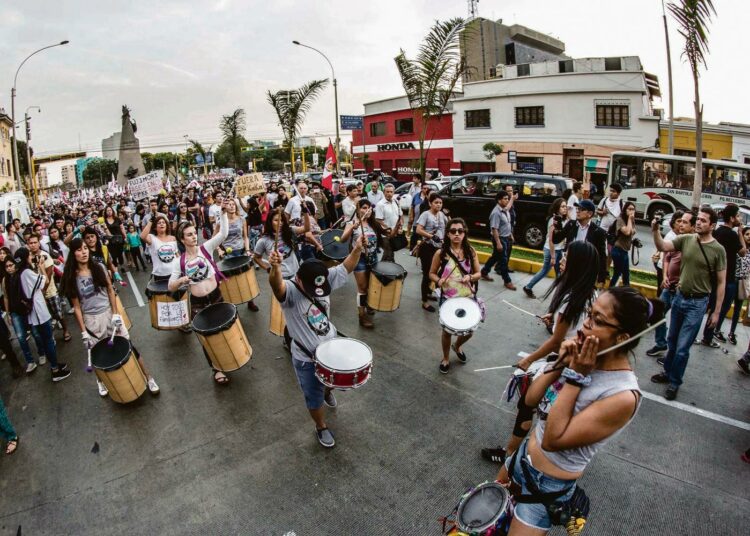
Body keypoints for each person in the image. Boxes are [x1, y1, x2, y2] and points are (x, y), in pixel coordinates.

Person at [497, 287, 664, 535]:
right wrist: (560, 365)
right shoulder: (581, 358)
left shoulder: (622, 395)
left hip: (546, 487)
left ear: (622, 337)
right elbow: (531, 401)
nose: (585, 325)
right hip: (519, 462)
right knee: (484, 524)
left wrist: (575, 378)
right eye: (589, 314)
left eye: (598, 321)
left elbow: (553, 440)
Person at [482, 241, 600, 464]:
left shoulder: (570, 300)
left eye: (567, 257)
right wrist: (555, 320)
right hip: (575, 364)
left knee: (528, 403)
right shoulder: (590, 294)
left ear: (577, 264)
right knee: (533, 406)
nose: (562, 260)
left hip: (564, 364)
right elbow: (571, 329)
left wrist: (529, 359)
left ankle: (511, 455)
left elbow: (557, 342)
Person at [267, 233, 366, 448]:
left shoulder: (322, 276)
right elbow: (277, 286)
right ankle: (321, 426)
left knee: (330, 382)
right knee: (313, 397)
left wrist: (357, 248)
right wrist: (275, 268)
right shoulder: (291, 290)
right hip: (306, 357)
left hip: (330, 349)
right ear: (299, 280)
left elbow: (345, 268)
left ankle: (328, 390)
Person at [62, 238, 160, 397]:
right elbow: (77, 306)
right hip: (91, 320)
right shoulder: (71, 277)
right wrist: (83, 332)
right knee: (97, 354)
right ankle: (100, 382)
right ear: (73, 254)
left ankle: (148, 377)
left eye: (85, 248)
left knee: (129, 346)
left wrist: (115, 313)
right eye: (79, 250)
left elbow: (109, 290)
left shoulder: (99, 267)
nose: (84, 252)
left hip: (109, 313)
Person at [650, 206, 726, 400]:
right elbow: (663, 248)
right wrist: (655, 230)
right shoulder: (686, 239)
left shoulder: (718, 250)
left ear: (713, 225)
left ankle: (675, 382)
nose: (698, 222)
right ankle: (667, 373)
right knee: (672, 341)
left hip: (697, 303)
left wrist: (716, 312)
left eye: (703, 220)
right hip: (679, 297)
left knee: (683, 348)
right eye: (698, 219)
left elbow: (721, 282)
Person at [169, 200, 233, 384]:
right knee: (207, 336)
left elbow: (224, 233)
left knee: (225, 328)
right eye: (189, 235)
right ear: (182, 239)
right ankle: (216, 369)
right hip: (197, 303)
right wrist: (181, 280)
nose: (193, 237)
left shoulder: (206, 248)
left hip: (216, 295)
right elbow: (170, 286)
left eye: (193, 233)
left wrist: (223, 214)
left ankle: (229, 357)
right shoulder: (178, 262)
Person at [8, 247, 71, 382]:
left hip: (34, 313)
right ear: (26, 258)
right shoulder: (26, 273)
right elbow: (45, 282)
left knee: (47, 339)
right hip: (39, 312)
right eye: (29, 255)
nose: (31, 256)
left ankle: (55, 365)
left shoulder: (19, 273)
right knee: (48, 340)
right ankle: (55, 370)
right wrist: (42, 267)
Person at [429, 218, 482, 373]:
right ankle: (445, 358)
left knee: (469, 331)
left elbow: (479, 273)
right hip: (448, 298)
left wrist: (470, 277)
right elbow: (431, 273)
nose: (457, 234)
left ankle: (457, 346)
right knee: (447, 331)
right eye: (453, 231)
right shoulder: (441, 253)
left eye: (460, 231)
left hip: (467, 297)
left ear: (465, 233)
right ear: (448, 234)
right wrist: (439, 280)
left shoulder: (470, 251)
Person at [646, 211, 694, 357]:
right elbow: (666, 256)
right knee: (657, 313)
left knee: (676, 326)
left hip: (682, 291)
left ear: (693, 226)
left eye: (685, 222)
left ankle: (671, 358)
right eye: (680, 221)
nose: (680, 224)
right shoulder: (676, 239)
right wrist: (665, 276)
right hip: (669, 287)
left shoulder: (693, 243)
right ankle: (661, 344)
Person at [703, 204, 747, 345]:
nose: (740, 218)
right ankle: (708, 337)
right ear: (732, 217)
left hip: (714, 275)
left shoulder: (717, 232)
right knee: (720, 309)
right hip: (727, 278)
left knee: (712, 306)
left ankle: (707, 335)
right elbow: (743, 252)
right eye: (738, 215)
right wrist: (740, 232)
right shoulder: (732, 234)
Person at [340, 199, 385, 328]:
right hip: (359, 259)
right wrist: (352, 229)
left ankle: (369, 304)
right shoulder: (352, 223)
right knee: (362, 288)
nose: (367, 210)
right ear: (358, 210)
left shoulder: (374, 224)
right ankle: (362, 316)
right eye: (364, 208)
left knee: (372, 285)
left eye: (369, 208)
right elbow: (343, 240)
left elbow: (385, 237)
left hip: (373, 258)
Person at [27, 233, 72, 343]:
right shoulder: (27, 258)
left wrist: (42, 292)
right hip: (36, 294)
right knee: (46, 317)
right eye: (30, 243)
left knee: (58, 313)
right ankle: (50, 336)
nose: (33, 245)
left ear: (39, 243)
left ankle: (66, 330)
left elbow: (48, 276)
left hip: (49, 291)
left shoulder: (45, 256)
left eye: (35, 242)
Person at [523, 199, 567, 298]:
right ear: (557, 208)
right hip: (551, 250)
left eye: (566, 206)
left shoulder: (562, 219)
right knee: (545, 271)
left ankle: (560, 292)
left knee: (559, 273)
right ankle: (528, 287)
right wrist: (552, 257)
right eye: (563, 206)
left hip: (559, 250)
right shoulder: (553, 220)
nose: (565, 208)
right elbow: (551, 240)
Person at [221, 198, 259, 312]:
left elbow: (245, 237)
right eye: (229, 204)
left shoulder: (242, 219)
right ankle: (233, 306)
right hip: (228, 255)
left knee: (246, 278)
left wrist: (247, 250)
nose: (232, 206)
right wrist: (219, 250)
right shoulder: (221, 222)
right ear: (225, 207)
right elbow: (214, 239)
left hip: (242, 252)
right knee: (231, 282)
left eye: (234, 204)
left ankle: (250, 301)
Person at [561, 199, 608, 285]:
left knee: (580, 295)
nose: (577, 211)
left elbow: (602, 255)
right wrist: (557, 227)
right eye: (577, 209)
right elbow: (556, 239)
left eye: (581, 209)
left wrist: (601, 277)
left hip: (586, 270)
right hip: (569, 266)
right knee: (562, 293)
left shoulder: (598, 232)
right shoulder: (571, 224)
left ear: (589, 214)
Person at [415, 193, 449, 312]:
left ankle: (430, 289)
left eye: (440, 203)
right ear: (430, 203)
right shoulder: (426, 214)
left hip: (440, 248)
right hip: (427, 247)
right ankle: (424, 301)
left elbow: (448, 226)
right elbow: (418, 229)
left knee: (445, 267)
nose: (438, 205)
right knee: (427, 273)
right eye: (436, 202)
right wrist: (431, 236)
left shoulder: (442, 215)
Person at [480, 191, 516, 290]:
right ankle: (507, 281)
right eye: (505, 199)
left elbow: (507, 224)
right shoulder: (496, 213)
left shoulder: (505, 209)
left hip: (506, 237)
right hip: (499, 239)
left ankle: (484, 272)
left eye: (507, 198)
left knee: (495, 257)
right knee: (503, 261)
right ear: (499, 200)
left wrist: (510, 235)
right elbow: (494, 229)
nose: (507, 200)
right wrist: (498, 243)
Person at [141, 214, 179, 283]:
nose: (162, 224)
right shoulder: (152, 238)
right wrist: (151, 221)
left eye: (163, 222)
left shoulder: (173, 238)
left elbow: (176, 255)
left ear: (167, 225)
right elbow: (143, 236)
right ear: (155, 227)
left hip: (174, 273)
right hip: (160, 275)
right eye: (159, 223)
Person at [596, 184, 623, 279]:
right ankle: (599, 270)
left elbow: (623, 217)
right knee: (601, 251)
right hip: (602, 230)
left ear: (618, 193)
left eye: (613, 191)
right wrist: (602, 212)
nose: (611, 193)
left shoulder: (621, 203)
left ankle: (606, 270)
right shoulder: (604, 200)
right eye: (610, 190)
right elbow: (597, 211)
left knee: (610, 252)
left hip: (613, 233)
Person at [609, 201, 637, 287]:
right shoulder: (620, 220)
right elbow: (627, 232)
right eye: (629, 209)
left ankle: (626, 294)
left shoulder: (631, 220)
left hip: (625, 251)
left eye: (633, 209)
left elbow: (633, 231)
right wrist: (629, 219)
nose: (631, 211)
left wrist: (631, 220)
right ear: (625, 210)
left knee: (626, 275)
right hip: (618, 250)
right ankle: (609, 293)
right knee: (617, 274)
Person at [375, 183, 403, 262]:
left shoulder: (396, 202)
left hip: (395, 232)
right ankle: (384, 269)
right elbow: (378, 220)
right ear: (384, 192)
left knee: (390, 252)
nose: (389, 194)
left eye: (391, 192)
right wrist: (388, 229)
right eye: (387, 192)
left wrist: (400, 227)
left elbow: (400, 215)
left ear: (394, 192)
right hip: (385, 234)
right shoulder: (380, 204)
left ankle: (383, 269)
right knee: (388, 252)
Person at [102, 206, 128, 273]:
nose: (109, 212)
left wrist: (125, 237)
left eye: (110, 210)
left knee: (120, 254)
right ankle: (115, 268)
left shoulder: (117, 219)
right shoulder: (104, 221)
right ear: (105, 212)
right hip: (110, 241)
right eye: (107, 210)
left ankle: (122, 266)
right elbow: (105, 231)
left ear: (112, 211)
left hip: (119, 240)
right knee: (113, 255)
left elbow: (122, 228)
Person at [409, 182, 432, 250]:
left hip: (425, 223)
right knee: (414, 235)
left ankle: (420, 250)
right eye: (424, 188)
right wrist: (411, 216)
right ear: (421, 189)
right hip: (416, 220)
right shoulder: (416, 196)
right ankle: (412, 249)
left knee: (422, 237)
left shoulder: (430, 198)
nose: (426, 190)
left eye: (427, 188)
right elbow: (412, 207)